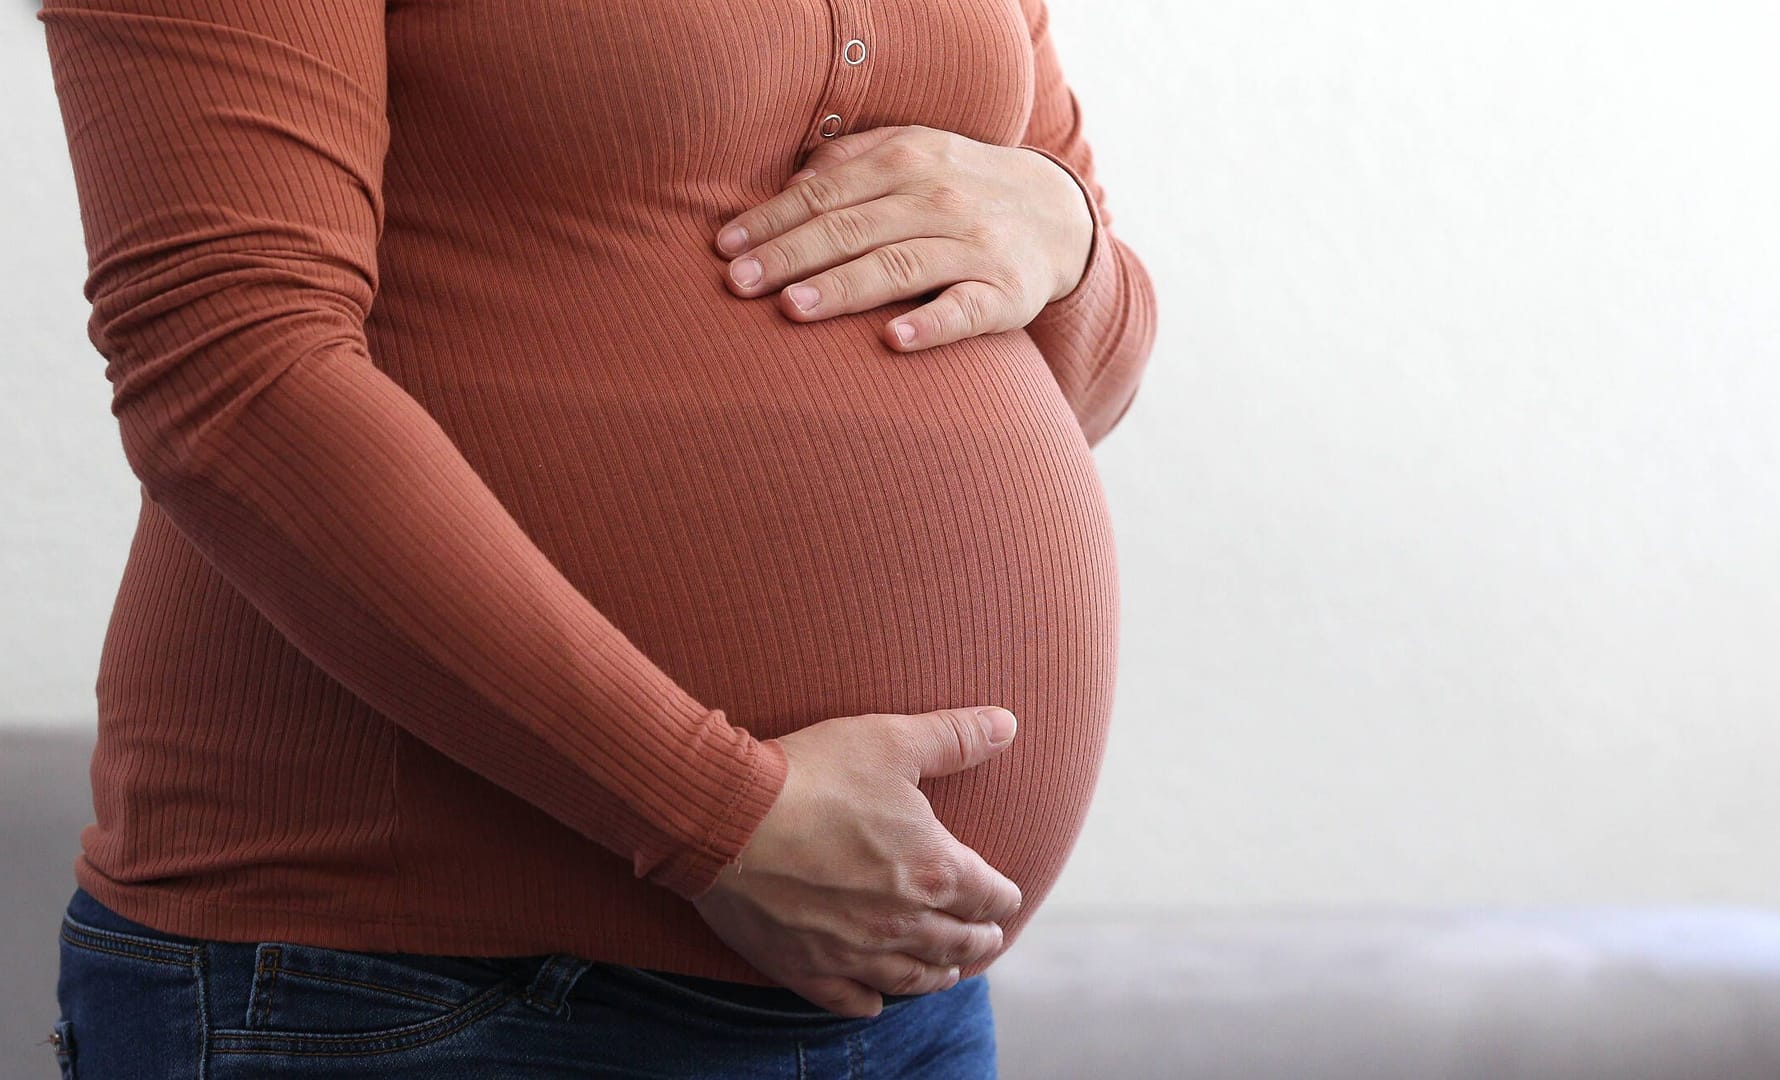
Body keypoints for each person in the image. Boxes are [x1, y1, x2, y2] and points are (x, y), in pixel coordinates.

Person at [35, 0, 1156, 1074]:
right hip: (413, 989)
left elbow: (1081, 373)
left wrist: (1064, 231)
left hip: (908, 998)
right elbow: (230, 375)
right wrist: (709, 814)